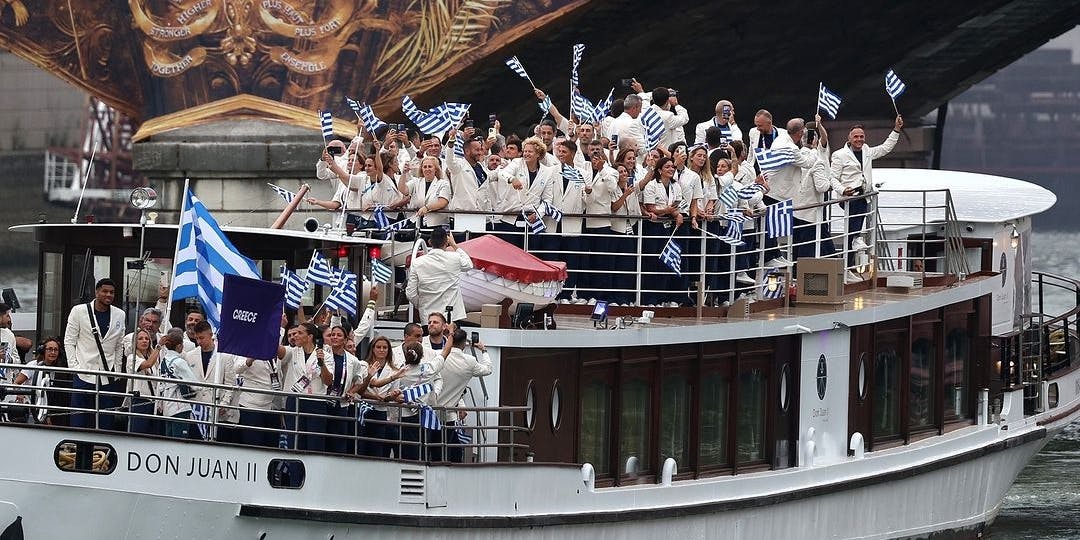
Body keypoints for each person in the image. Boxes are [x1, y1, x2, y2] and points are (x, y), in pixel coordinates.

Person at [830, 116, 904, 261]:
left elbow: (885, 148)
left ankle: (849, 257)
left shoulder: (867, 150)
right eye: (856, 137)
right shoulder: (839, 155)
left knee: (853, 225)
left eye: (861, 136)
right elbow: (832, 178)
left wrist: (896, 129)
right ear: (849, 138)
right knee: (856, 212)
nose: (859, 139)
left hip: (864, 195)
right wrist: (843, 190)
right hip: (848, 195)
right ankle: (856, 238)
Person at [63, 278, 127, 430]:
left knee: (106, 420)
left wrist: (117, 370)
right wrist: (74, 367)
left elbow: (119, 345)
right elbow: (69, 341)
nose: (108, 295)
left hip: (107, 374)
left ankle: (103, 445)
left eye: (112, 292)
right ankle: (76, 442)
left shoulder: (120, 314)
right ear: (97, 292)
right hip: (83, 372)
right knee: (79, 418)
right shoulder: (79, 311)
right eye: (105, 291)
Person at [430, 326, 492, 462]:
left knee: (433, 450)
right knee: (449, 451)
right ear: (464, 343)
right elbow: (488, 369)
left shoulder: (437, 355)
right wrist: (484, 350)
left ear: (450, 340)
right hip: (448, 414)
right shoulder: (470, 361)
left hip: (429, 412)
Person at [182, 320, 239, 442]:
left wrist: (224, 404)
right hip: (196, 411)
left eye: (202, 338)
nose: (199, 341)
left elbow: (230, 384)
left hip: (218, 410)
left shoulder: (225, 356)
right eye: (197, 338)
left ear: (210, 335)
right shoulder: (190, 355)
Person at [406, 226, 473, 323]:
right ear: (446, 242)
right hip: (451, 317)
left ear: (429, 242)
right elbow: (469, 265)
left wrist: (421, 305)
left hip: (428, 318)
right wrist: (454, 245)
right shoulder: (455, 258)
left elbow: (410, 293)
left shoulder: (417, 263)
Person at [355, 335, 407, 457]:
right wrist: (376, 397)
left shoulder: (394, 369)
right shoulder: (363, 365)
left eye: (385, 347)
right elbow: (365, 388)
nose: (382, 350)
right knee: (361, 445)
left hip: (381, 412)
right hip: (364, 409)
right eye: (378, 347)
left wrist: (394, 396)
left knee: (377, 447)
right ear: (372, 349)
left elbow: (392, 393)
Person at [157, 328, 198, 439]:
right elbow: (195, 384)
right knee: (180, 442)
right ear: (179, 346)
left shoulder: (162, 362)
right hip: (180, 407)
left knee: (169, 441)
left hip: (167, 407)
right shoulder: (179, 362)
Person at [125, 328, 159, 434]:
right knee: (138, 432)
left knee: (153, 433)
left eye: (147, 338)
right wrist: (158, 347)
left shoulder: (154, 358)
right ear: (135, 342)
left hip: (154, 400)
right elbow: (147, 364)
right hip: (139, 399)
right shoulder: (132, 358)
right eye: (140, 339)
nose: (144, 341)